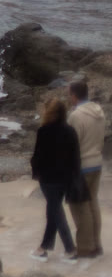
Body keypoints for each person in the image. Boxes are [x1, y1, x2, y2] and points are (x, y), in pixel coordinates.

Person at [33, 94, 82, 259]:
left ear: (49, 112)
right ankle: (43, 248)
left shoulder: (44, 131)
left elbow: (38, 156)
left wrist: (36, 172)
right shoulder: (70, 131)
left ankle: (70, 250)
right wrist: (75, 177)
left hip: (49, 179)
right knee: (53, 210)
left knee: (56, 212)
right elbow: (76, 157)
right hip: (66, 178)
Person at [74, 80, 106, 257]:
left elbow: (72, 145)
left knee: (81, 206)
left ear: (74, 96)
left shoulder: (77, 116)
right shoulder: (99, 112)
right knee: (93, 202)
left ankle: (86, 247)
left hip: (82, 166)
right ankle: (97, 244)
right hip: (97, 163)